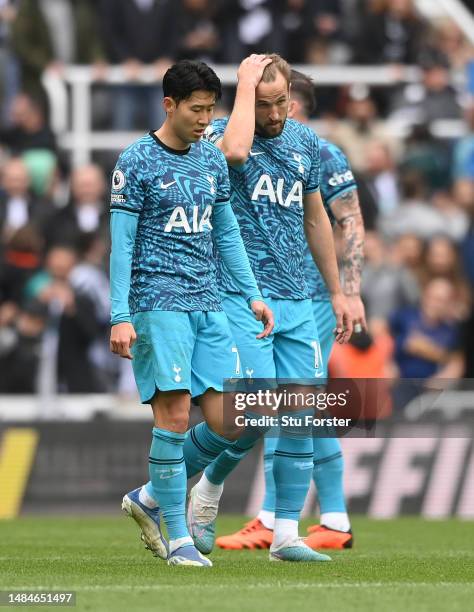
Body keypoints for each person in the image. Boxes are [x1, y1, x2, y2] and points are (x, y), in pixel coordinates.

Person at [184, 54, 352, 563]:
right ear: (244, 100)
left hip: (299, 297)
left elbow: (316, 218)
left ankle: (285, 536)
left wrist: (338, 290)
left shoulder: (305, 142)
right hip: (240, 294)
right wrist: (243, 86)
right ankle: (182, 491)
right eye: (264, 104)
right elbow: (236, 151)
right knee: (250, 411)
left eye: (281, 102)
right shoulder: (221, 133)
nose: (275, 113)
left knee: (299, 416)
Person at [109, 59, 273, 567]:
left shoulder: (210, 161)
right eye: (196, 110)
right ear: (169, 105)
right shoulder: (135, 161)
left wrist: (251, 294)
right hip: (157, 303)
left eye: (210, 110)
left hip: (209, 303)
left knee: (232, 419)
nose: (205, 120)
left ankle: (151, 496)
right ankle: (178, 538)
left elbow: (226, 231)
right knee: (176, 416)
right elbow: (121, 244)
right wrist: (119, 314)